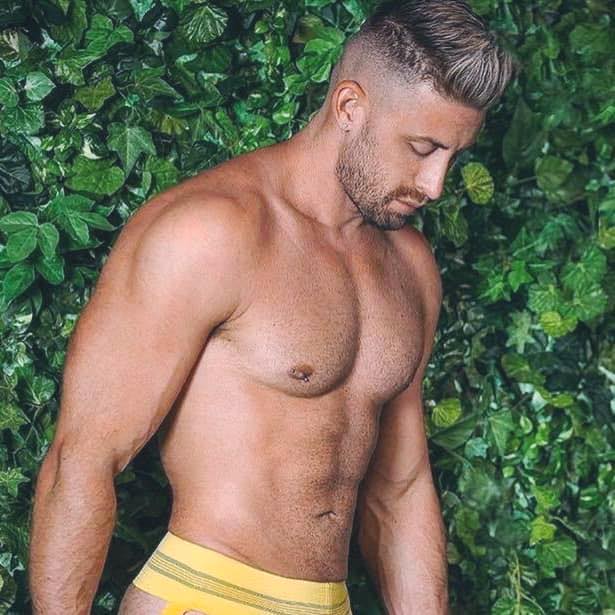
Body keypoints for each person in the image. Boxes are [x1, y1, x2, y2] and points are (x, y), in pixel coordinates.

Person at [28, 1, 515, 613]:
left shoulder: (410, 267)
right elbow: (83, 461)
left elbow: (400, 488)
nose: (435, 184)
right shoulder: (211, 233)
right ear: (349, 106)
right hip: (203, 595)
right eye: (422, 147)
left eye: (453, 155)